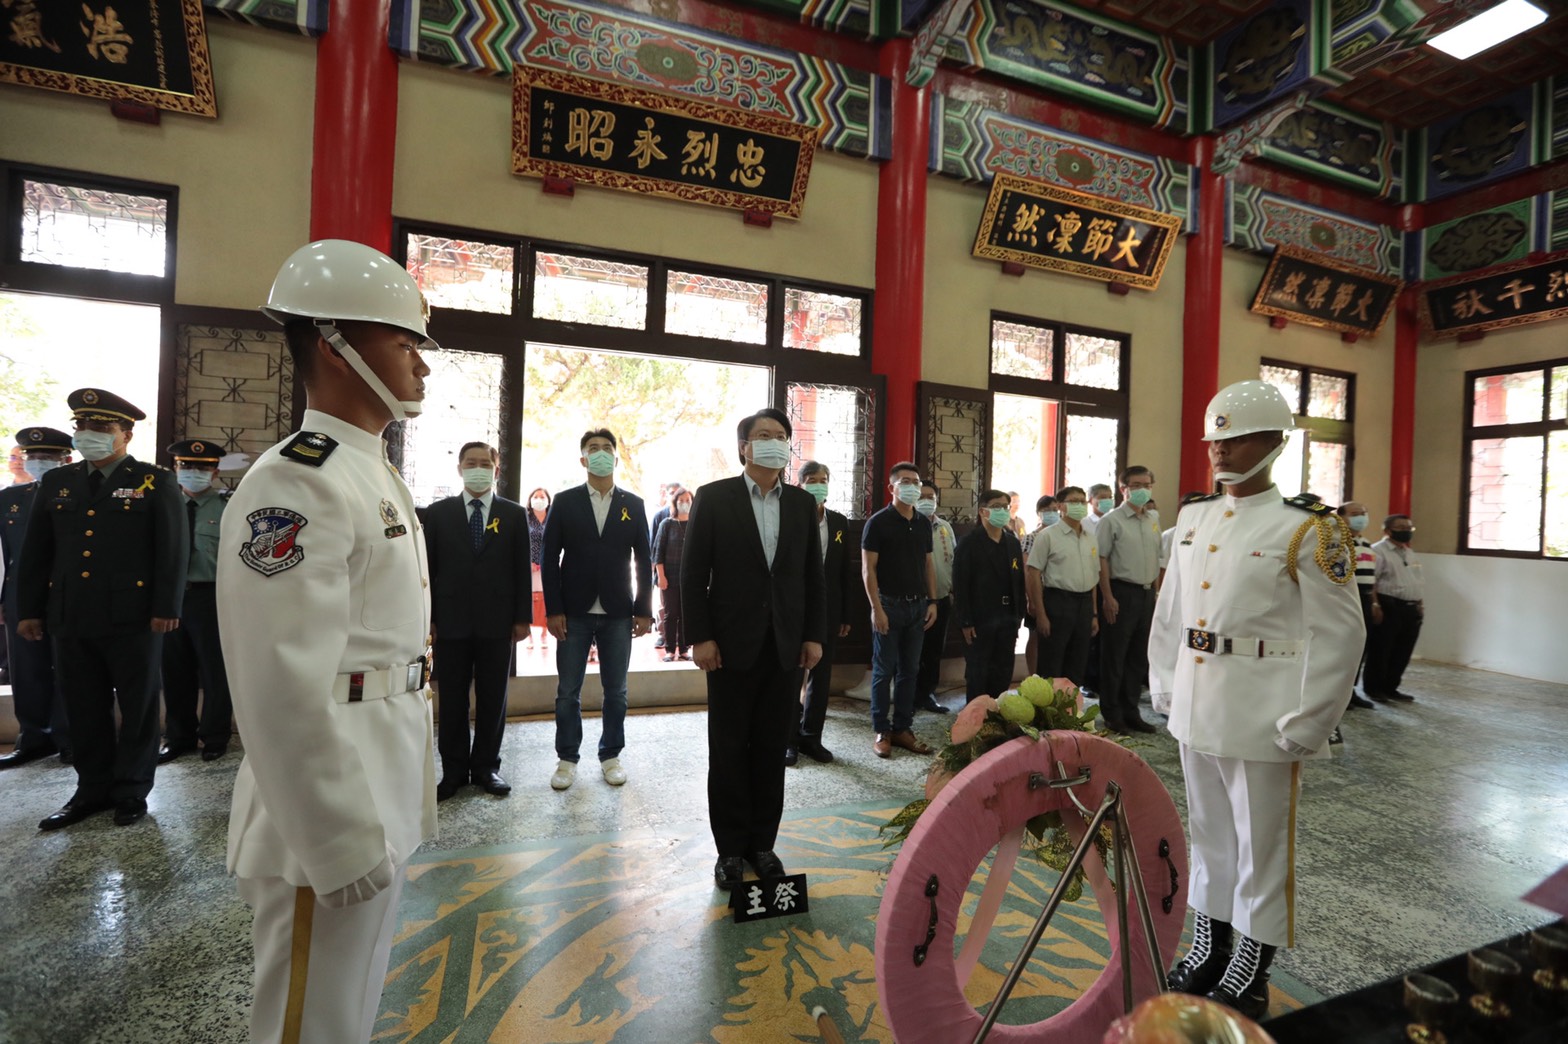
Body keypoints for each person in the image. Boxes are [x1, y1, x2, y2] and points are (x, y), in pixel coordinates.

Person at [1151, 380, 1363, 1020]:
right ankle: (1210, 947)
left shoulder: (1308, 528)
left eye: (1234, 436)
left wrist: (1313, 719)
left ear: (1274, 442)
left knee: (1260, 843)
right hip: (1197, 701)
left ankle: (1252, 963)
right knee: (1210, 834)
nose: (1218, 449)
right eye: (1214, 438)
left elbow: (1341, 632)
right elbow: (1172, 614)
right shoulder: (1194, 517)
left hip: (1265, 710)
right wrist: (1165, 685)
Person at [18, 390, 188, 830]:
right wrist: (29, 610)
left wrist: (166, 606)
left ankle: (131, 789)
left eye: (101, 428)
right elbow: (37, 552)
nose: (88, 435)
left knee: (138, 705)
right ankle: (90, 789)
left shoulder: (154, 480)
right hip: (71, 614)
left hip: (134, 615)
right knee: (82, 705)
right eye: (82, 427)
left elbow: (172, 550)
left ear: (126, 434)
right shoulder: (58, 482)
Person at [682, 408, 824, 890]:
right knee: (727, 749)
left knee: (770, 748)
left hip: (785, 647)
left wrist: (813, 635)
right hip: (728, 646)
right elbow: (692, 572)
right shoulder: (714, 497)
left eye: (781, 436)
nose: (773, 442)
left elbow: (812, 578)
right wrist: (700, 636)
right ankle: (728, 850)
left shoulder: (803, 505)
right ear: (744, 446)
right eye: (763, 436)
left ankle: (762, 845)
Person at [540, 428, 652, 791]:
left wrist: (644, 609)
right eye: (593, 448)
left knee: (616, 690)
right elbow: (548, 559)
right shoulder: (565, 501)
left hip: (619, 612)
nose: (600, 453)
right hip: (573, 611)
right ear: (583, 458)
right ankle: (567, 758)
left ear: (615, 458)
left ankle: (611, 755)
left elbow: (644, 560)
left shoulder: (633, 504)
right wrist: (553, 609)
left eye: (607, 448)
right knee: (567, 690)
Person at [424, 441, 532, 801]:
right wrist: (429, 619)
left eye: (485, 463)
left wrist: (522, 618)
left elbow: (521, 571)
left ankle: (487, 767)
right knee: (452, 698)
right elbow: (428, 571)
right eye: (471, 462)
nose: (478, 468)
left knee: (492, 698)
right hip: (450, 623)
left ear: (496, 470)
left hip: (497, 623)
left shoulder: (514, 514)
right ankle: (453, 771)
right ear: (459, 468)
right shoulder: (438, 514)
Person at [0, 426, 74, 768]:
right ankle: (33, 737)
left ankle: (69, 737)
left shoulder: (79, 496)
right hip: (18, 596)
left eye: (48, 457)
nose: (38, 462)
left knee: (69, 668)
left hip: (67, 594)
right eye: (33, 457)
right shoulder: (10, 499)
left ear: (67, 460)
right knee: (26, 670)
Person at [158, 439, 235, 763]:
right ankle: (179, 736)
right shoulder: (162, 505)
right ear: (176, 470)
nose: (193, 472)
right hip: (170, 598)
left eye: (202, 467)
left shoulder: (230, 506)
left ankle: (215, 736)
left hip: (212, 597)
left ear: (215, 471)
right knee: (175, 671)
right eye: (186, 466)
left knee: (216, 670)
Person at [861, 462, 937, 759]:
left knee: (910, 670)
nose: (912, 486)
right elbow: (869, 570)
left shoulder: (922, 522)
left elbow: (929, 564)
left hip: (918, 606)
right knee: (883, 670)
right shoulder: (877, 522)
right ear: (892, 487)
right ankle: (882, 729)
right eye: (905, 481)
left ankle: (903, 728)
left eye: (916, 482)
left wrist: (933, 602)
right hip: (888, 605)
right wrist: (876, 608)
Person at [785, 461, 857, 766]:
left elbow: (844, 572)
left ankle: (811, 737)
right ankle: (788, 741)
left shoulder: (839, 523)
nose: (819, 484)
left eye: (823, 480)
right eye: (812, 479)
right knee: (792, 676)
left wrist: (846, 614)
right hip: (792, 610)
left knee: (821, 676)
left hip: (827, 612)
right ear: (800, 484)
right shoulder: (788, 517)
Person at [1096, 466, 1162, 734]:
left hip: (1146, 593)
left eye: (1147, 484)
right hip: (1121, 592)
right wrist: (1108, 596)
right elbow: (1100, 559)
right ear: (1123, 489)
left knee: (1138, 657)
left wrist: (1156, 593)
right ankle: (1112, 713)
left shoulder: (1153, 519)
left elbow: (1157, 558)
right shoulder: (1111, 520)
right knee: (1115, 656)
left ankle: (1131, 710)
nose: (1142, 490)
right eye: (1136, 485)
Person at [953, 490, 1027, 702]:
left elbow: (1019, 580)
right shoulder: (969, 542)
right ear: (983, 512)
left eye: (1005, 506)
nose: (1002, 511)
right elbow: (960, 585)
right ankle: (976, 719)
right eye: (996, 507)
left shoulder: (1012, 542)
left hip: (1008, 617)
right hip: (980, 618)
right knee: (979, 671)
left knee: (1003, 670)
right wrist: (965, 621)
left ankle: (998, 715)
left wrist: (1018, 615)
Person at [1025, 486, 1099, 686]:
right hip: (1058, 602)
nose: (1079, 506)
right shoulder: (1048, 536)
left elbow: (1093, 577)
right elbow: (1033, 573)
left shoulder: (1090, 537)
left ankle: (1070, 713)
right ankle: (1047, 715)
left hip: (1083, 604)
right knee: (1051, 664)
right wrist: (1040, 614)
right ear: (1060, 506)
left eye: (1082, 502)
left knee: (1077, 663)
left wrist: (1093, 614)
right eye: (1073, 502)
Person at [1364, 514, 1423, 703]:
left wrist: (1420, 604)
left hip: (1410, 607)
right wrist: (1375, 604)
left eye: (1409, 528)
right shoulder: (1377, 551)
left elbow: (1416, 580)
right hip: (1388, 605)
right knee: (1382, 649)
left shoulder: (1408, 552)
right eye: (1400, 527)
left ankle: (1391, 687)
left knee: (1402, 651)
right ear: (1387, 531)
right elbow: (1372, 580)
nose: (1406, 531)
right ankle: (1374, 689)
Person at [913, 479, 954, 714]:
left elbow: (953, 561)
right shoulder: (909, 526)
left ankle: (928, 694)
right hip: (915, 602)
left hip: (941, 599)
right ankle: (908, 697)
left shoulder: (945, 527)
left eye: (931, 497)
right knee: (910, 653)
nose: (927, 501)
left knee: (934, 650)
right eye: (923, 496)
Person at [1337, 502, 1379, 710]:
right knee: (1342, 647)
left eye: (1363, 513)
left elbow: (1371, 578)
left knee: (1359, 647)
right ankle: (1338, 694)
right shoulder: (1338, 541)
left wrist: (1374, 602)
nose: (1361, 517)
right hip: (1345, 599)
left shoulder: (1365, 543)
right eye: (1355, 514)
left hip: (1364, 598)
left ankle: (1351, 691)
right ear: (1341, 517)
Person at [653, 487, 692, 661]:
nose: (685, 503)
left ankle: (684, 650)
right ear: (675, 503)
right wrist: (661, 576)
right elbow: (658, 553)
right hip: (669, 577)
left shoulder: (696, 524)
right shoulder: (667, 524)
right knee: (670, 614)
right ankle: (670, 650)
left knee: (686, 614)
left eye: (688, 500)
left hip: (690, 579)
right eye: (681, 500)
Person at [1021, 495, 1057, 678]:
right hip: (1038, 593)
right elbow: (1027, 570)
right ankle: (1032, 676)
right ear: (1039, 513)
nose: (1052, 514)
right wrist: (1031, 599)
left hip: (1058, 594)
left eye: (1055, 510)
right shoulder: (1032, 537)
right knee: (1035, 637)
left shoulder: (1061, 536)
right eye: (1047, 511)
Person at [525, 487, 552, 650]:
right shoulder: (525, 518)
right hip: (530, 566)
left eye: (542, 497)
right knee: (529, 599)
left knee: (546, 599)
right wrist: (529, 562)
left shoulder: (553, 517)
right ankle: (529, 636)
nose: (539, 499)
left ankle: (544, 634)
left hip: (547, 565)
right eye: (536, 496)